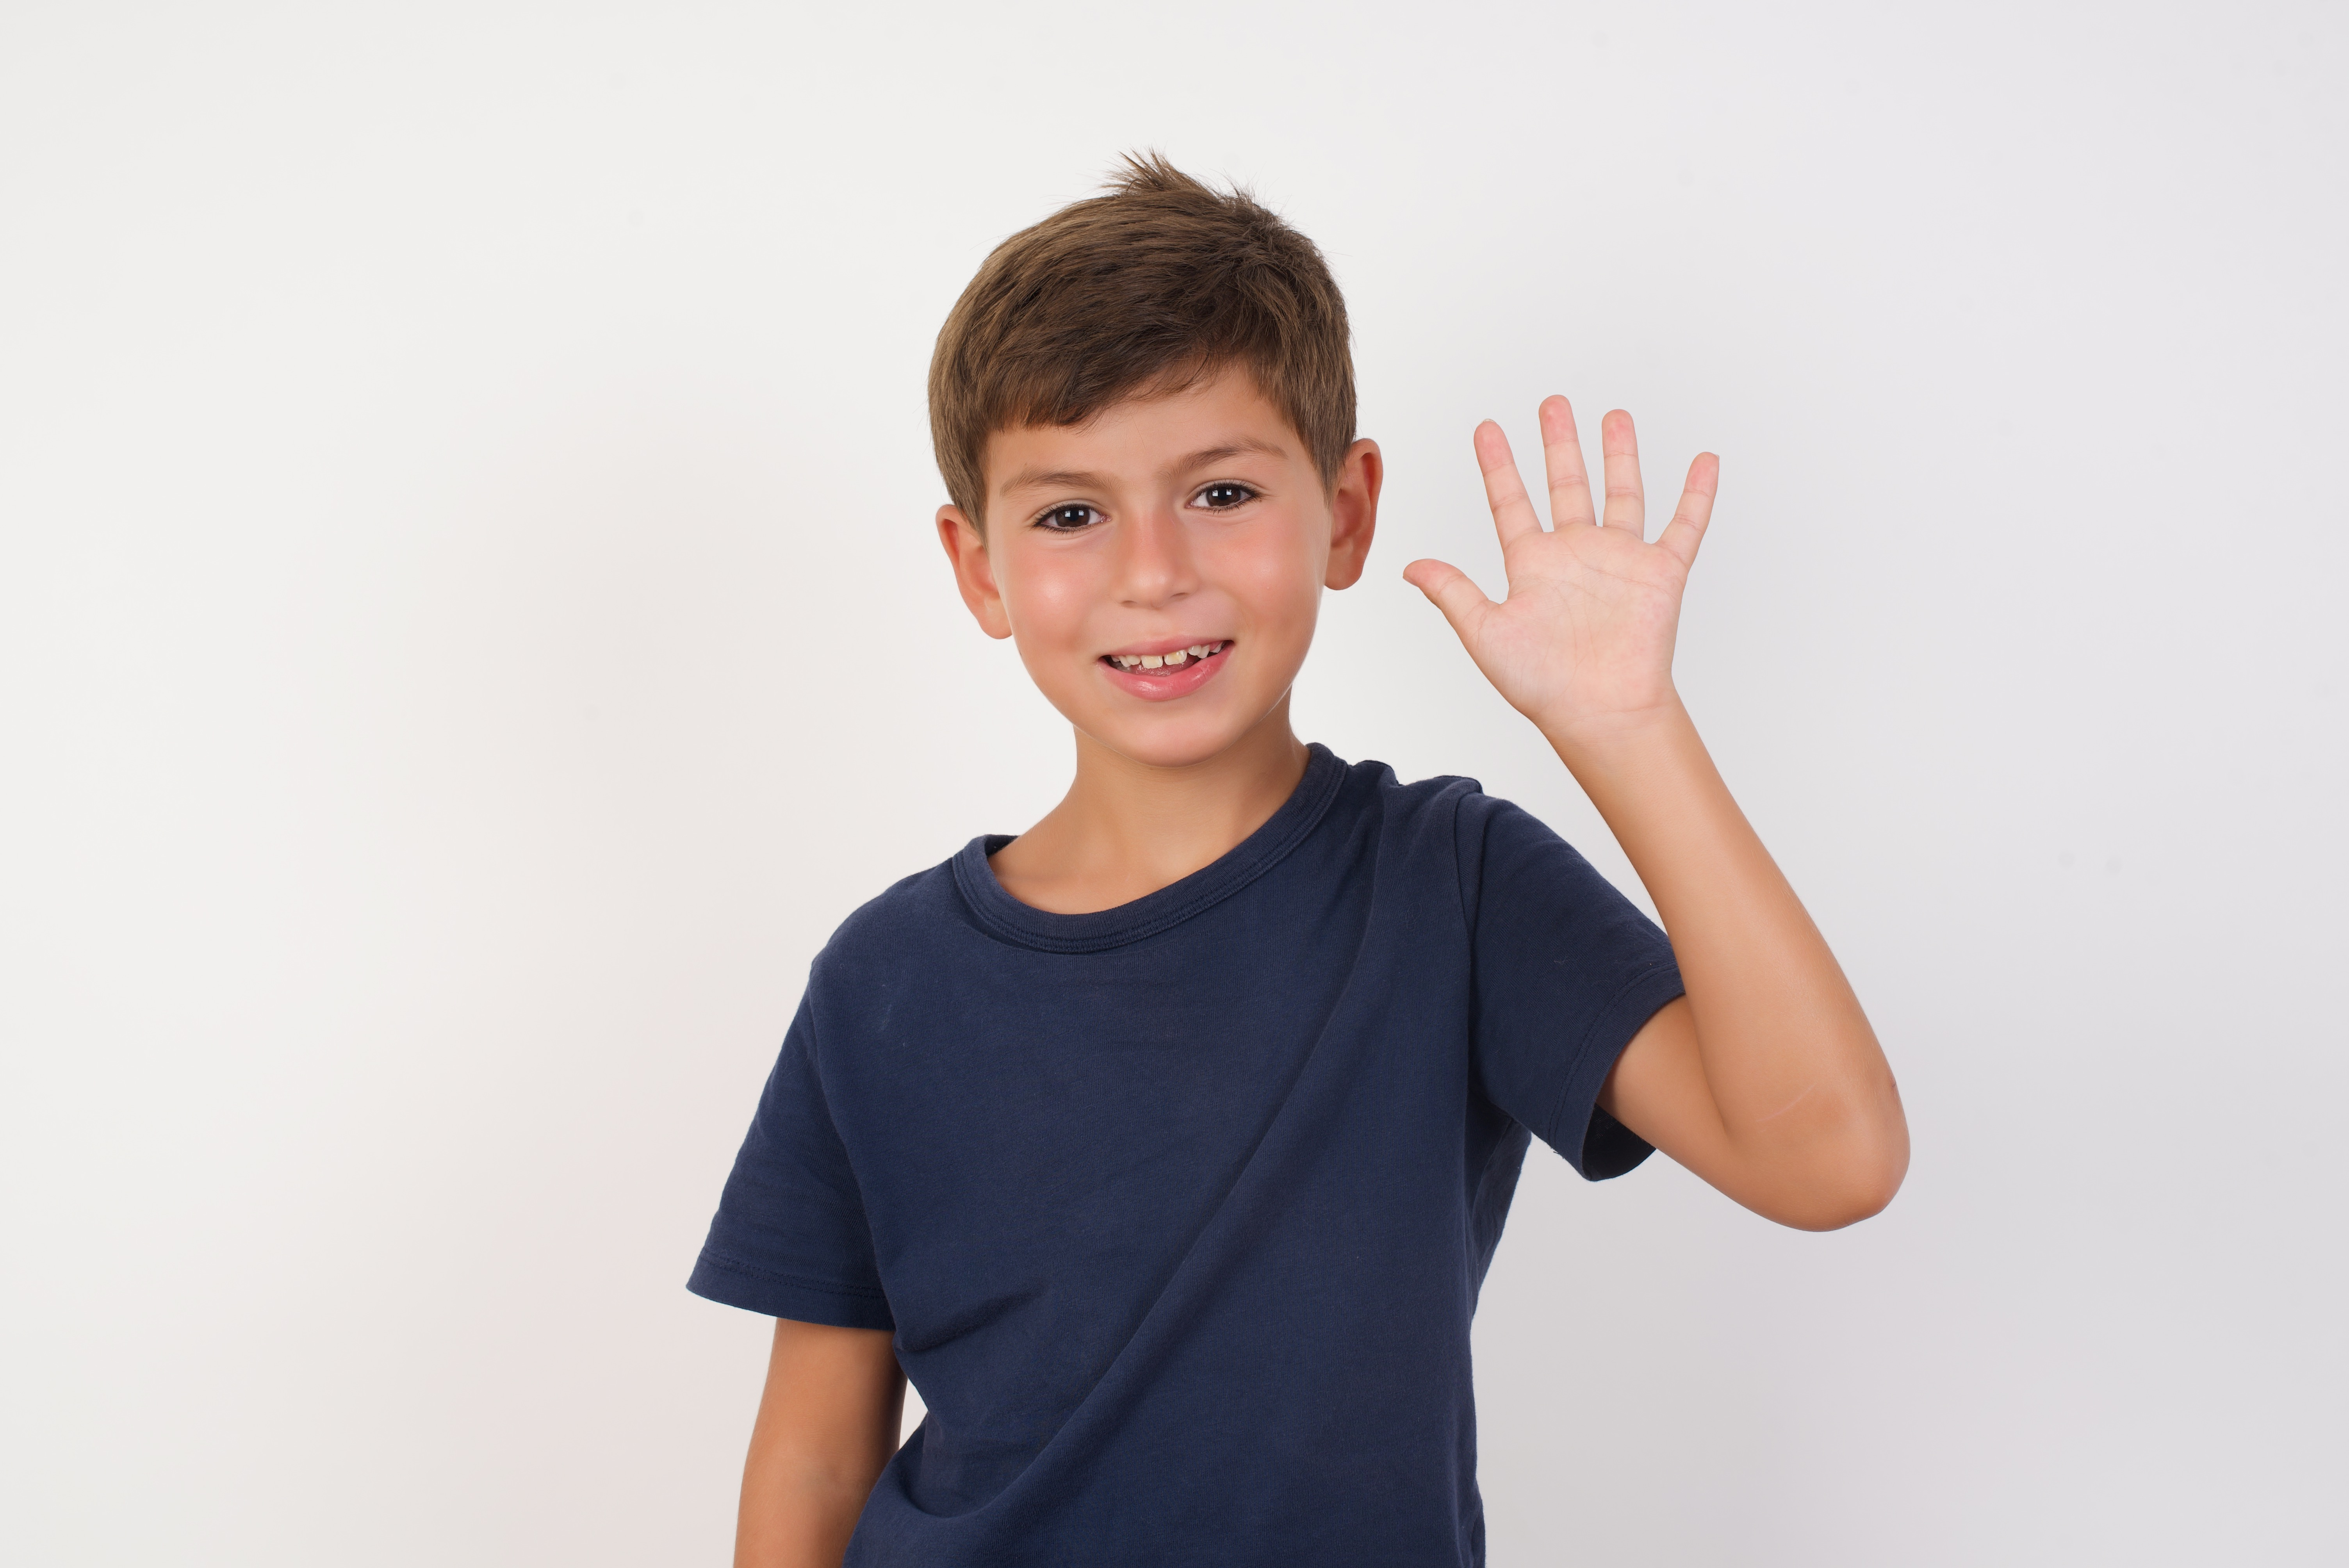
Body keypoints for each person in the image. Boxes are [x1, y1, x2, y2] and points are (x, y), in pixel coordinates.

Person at [687, 153, 1907, 1568]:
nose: (1154, 570)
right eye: (1071, 512)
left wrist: (1626, 727)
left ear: (1346, 511)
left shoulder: (1454, 886)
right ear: (981, 569)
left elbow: (1830, 1159)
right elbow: (815, 1453)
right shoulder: (883, 982)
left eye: (1219, 493)